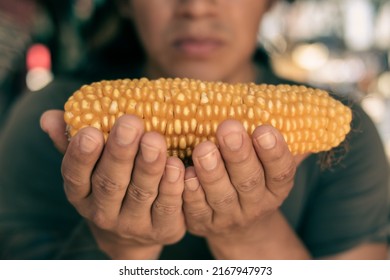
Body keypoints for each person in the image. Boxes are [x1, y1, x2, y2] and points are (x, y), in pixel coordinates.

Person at [0, 0, 389, 260]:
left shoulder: (351, 138)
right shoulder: (40, 123)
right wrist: (123, 250)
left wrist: (249, 236)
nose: (197, 7)